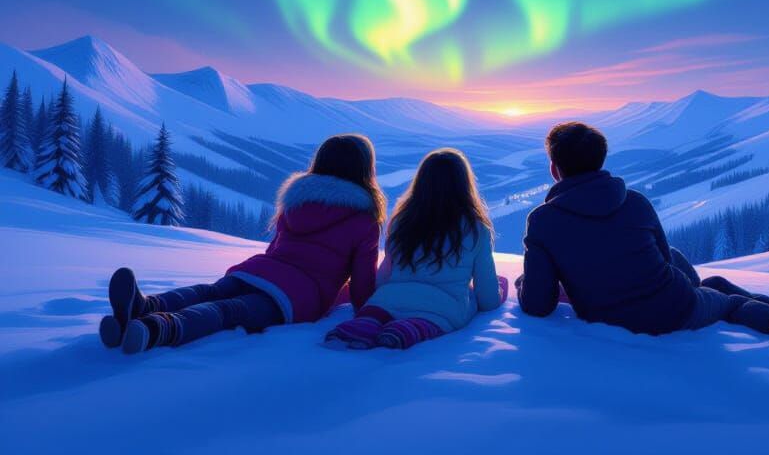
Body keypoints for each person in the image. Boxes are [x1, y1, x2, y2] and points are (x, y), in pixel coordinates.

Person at [516, 121, 769, 347]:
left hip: (610, 316)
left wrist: (524, 284)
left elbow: (538, 305)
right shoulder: (634, 203)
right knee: (729, 301)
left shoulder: (543, 221)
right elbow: (666, 262)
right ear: (601, 161)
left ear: (554, 169)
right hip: (671, 311)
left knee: (717, 284)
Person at [99, 133, 386, 354]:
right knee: (229, 311)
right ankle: (158, 328)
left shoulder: (296, 204)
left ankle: (145, 305)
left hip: (259, 271)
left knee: (208, 292)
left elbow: (277, 249)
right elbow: (362, 283)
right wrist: (367, 311)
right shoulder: (364, 221)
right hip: (295, 296)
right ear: (364, 172)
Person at [325, 148, 507, 350]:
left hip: (387, 299)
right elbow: (488, 298)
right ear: (464, 185)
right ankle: (407, 330)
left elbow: (384, 276)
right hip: (441, 308)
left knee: (374, 314)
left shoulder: (402, 221)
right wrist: (501, 289)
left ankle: (366, 323)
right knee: (424, 322)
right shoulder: (475, 228)